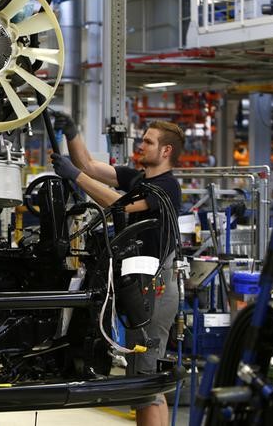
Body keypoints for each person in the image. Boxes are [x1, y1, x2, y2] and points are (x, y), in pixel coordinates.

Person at [51, 113, 183, 426]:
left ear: (166, 151)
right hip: (141, 287)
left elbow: (118, 204)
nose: (142, 145)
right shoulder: (140, 180)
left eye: (149, 141)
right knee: (150, 381)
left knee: (142, 386)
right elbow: (89, 166)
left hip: (155, 288)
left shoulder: (166, 187)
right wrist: (72, 132)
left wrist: (75, 178)